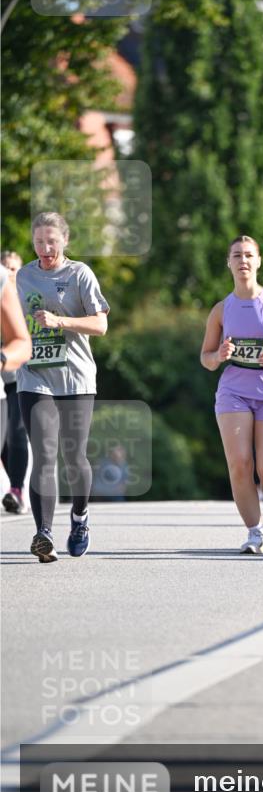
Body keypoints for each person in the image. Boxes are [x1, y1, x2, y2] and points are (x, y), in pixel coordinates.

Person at [16, 212, 110, 561]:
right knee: (43, 454)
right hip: (34, 375)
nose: (45, 247)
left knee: (74, 457)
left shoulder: (79, 274)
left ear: (65, 240)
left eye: (52, 240)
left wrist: (60, 321)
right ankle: (43, 535)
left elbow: (100, 325)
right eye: (39, 241)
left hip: (76, 376)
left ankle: (80, 517)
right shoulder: (22, 276)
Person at [200, 235, 263, 554]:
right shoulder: (221, 310)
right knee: (240, 465)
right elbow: (206, 358)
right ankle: (254, 532)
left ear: (258, 261)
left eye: (248, 255)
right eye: (236, 255)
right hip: (234, 393)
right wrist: (220, 354)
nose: (242, 260)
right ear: (228, 263)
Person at [1, 251, 31, 512]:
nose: (9, 272)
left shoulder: (26, 298)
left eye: (14, 268)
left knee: (17, 431)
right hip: (2, 378)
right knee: (3, 439)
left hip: (22, 377)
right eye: (5, 267)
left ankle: (17, 490)